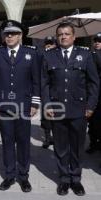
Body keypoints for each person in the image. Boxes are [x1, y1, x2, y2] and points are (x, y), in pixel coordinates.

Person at [41, 22, 99, 196]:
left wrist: (90, 106)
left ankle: (76, 179)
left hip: (79, 110)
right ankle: (64, 179)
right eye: (60, 34)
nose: (63, 37)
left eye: (67, 34)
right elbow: (44, 83)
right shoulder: (48, 56)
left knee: (76, 147)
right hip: (57, 109)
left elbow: (94, 83)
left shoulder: (86, 55)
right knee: (60, 147)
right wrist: (47, 104)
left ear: (74, 36)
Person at [0, 20, 40, 193]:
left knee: (24, 142)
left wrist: (34, 103)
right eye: (7, 34)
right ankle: (10, 175)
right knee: (8, 142)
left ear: (20, 35)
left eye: (13, 33)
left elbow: (36, 81)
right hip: (4, 107)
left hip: (24, 106)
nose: (9, 36)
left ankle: (23, 177)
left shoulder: (31, 53)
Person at [40, 36, 57, 149]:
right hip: (45, 90)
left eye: (50, 43)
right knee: (46, 116)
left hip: (56, 90)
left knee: (57, 115)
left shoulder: (58, 55)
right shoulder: (41, 56)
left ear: (55, 44)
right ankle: (47, 138)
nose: (48, 45)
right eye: (47, 43)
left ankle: (56, 137)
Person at [86, 32, 101, 154]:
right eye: (95, 41)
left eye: (99, 41)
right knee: (92, 121)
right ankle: (93, 143)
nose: (97, 43)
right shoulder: (90, 55)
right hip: (92, 93)